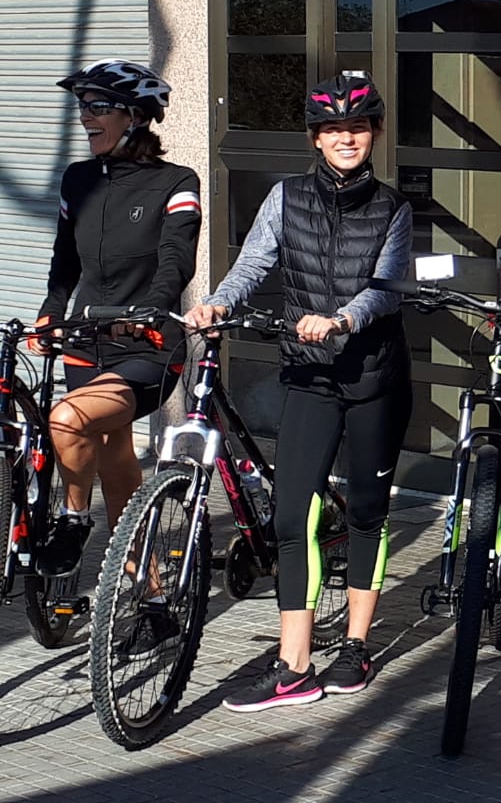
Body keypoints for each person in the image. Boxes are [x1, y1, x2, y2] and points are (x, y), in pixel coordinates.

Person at [183, 73, 413, 711]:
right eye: (334, 129)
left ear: (375, 134)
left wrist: (341, 318)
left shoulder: (394, 207)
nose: (347, 138)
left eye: (358, 127)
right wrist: (219, 302)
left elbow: (386, 288)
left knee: (368, 510)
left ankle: (357, 646)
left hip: (374, 379)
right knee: (291, 516)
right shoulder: (286, 197)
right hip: (310, 376)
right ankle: (293, 667)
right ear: (315, 138)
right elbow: (256, 261)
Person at [34, 60, 200, 577]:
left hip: (149, 345)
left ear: (134, 116)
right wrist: (50, 313)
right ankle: (147, 590)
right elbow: (65, 260)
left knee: (68, 418)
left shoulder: (177, 181)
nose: (86, 116)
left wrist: (153, 306)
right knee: (115, 458)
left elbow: (177, 258)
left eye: (98, 106)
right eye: (83, 105)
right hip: (88, 340)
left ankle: (73, 518)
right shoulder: (78, 180)